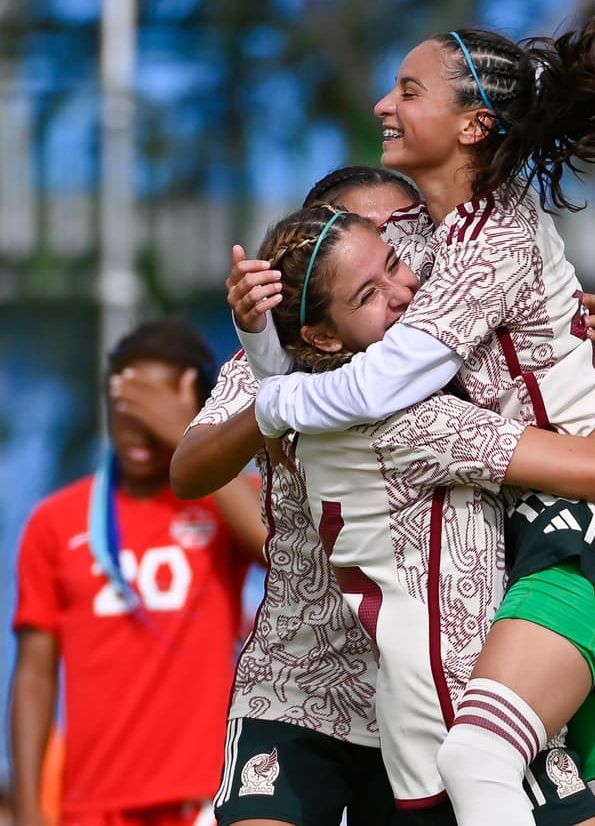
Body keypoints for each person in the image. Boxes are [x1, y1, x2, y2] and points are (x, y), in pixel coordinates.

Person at [235, 0, 595, 826]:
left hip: (583, 525)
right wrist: (262, 327)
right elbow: (336, 325)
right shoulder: (438, 236)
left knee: (477, 759)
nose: (384, 105)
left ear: (474, 124)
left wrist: (274, 396)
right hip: (592, 526)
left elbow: (377, 386)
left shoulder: (496, 237)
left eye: (409, 91)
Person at [258, 202, 595, 825]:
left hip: (432, 715)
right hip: (470, 704)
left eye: (396, 263)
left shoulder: (312, 409)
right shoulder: (411, 422)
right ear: (321, 337)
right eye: (369, 294)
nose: (405, 290)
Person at [173, 167, 411, 826]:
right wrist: (272, 392)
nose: (394, 271)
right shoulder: (271, 361)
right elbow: (189, 469)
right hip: (297, 676)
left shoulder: (448, 350)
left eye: (397, 243)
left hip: (422, 687)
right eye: (358, 249)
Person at [9, 319, 267, 826]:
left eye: (159, 411)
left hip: (206, 798)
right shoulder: (56, 522)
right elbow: (34, 676)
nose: (140, 428)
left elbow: (275, 546)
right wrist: (26, 809)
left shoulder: (223, 503)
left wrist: (190, 438)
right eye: (128, 408)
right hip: (93, 806)